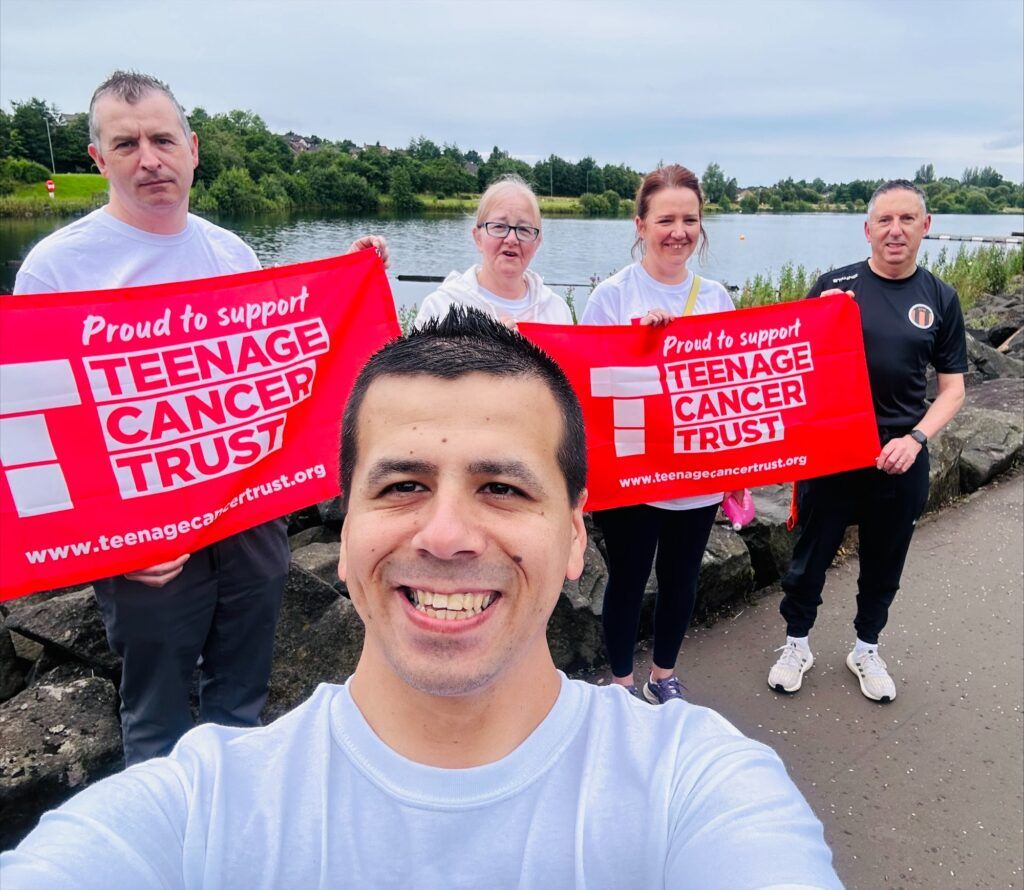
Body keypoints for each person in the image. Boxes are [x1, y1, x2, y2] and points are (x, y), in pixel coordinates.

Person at [1, 308, 842, 889]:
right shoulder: (201, 805)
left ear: (577, 538)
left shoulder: (694, 782)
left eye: (504, 490)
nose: (445, 535)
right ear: (346, 533)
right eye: (402, 484)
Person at [12, 70, 389, 765]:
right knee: (154, 718)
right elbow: (36, 431)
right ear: (98, 160)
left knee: (240, 699)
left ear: (193, 148)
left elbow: (279, 372)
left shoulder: (231, 253)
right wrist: (119, 540)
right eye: (126, 144)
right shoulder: (56, 270)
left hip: (248, 518)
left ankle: (230, 840)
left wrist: (350, 281)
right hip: (145, 544)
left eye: (162, 139)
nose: (149, 158)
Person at [767, 180, 967, 702]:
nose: (895, 230)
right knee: (810, 556)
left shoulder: (940, 297)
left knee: (885, 560)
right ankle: (796, 643)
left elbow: (953, 389)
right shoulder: (834, 286)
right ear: (867, 229)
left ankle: (867, 647)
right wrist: (815, 321)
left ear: (927, 226)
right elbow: (790, 367)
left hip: (900, 453)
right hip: (833, 450)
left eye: (907, 219)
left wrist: (917, 438)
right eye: (884, 220)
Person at [580, 164, 743, 705]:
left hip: (695, 471)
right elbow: (587, 383)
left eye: (690, 219)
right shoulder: (610, 296)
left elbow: (736, 380)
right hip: (632, 470)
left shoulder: (717, 296)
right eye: (666, 219)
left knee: (681, 580)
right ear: (641, 224)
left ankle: (663, 675)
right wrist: (637, 346)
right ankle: (622, 684)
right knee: (627, 579)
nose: (679, 231)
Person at [413, 173, 572, 327]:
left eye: (524, 229)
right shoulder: (440, 308)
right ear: (478, 237)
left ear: (537, 242)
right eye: (499, 227)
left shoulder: (557, 312)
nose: (511, 239)